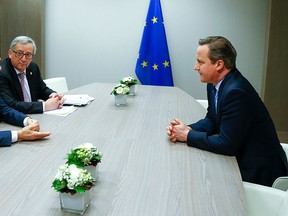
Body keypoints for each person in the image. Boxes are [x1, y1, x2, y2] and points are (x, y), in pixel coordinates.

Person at [166, 36, 288, 187]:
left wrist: (188, 136)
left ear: (219, 64)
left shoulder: (236, 92)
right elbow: (212, 119)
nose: (195, 67)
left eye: (201, 62)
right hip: (243, 158)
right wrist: (188, 129)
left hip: (260, 172)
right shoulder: (213, 84)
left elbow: (227, 144)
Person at [0, 36, 64, 114]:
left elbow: (42, 89)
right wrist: (44, 106)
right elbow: (11, 105)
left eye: (28, 54)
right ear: (10, 53)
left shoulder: (33, 67)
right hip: (16, 120)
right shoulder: (3, 73)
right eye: (19, 53)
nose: (23, 59)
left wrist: (53, 95)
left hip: (36, 116)